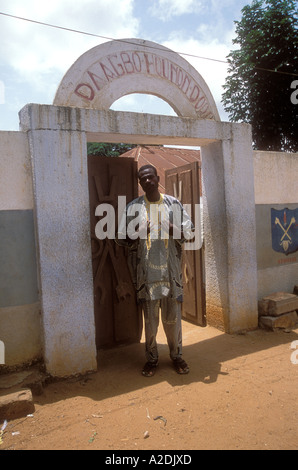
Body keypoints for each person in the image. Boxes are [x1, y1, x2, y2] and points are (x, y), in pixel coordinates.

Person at [117, 164, 194, 377]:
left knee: (173, 320)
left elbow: (190, 233)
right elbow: (121, 238)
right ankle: (151, 359)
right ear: (140, 183)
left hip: (171, 274)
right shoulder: (133, 207)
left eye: (150, 177)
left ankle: (177, 356)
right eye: (143, 179)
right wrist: (139, 232)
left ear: (158, 178)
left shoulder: (173, 204)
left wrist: (172, 228)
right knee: (150, 323)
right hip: (147, 276)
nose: (147, 181)